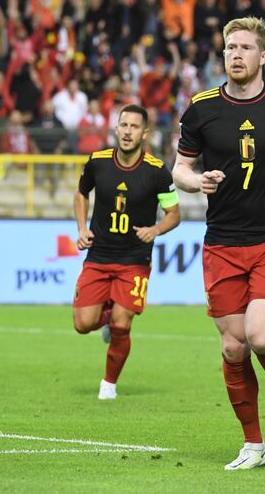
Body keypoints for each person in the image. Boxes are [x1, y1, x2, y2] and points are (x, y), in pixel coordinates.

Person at [172, 17, 265, 471]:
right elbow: (179, 168)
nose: (235, 54)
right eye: (229, 48)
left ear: (262, 56)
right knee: (233, 348)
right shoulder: (200, 108)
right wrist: (197, 182)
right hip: (222, 242)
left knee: (259, 336)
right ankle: (254, 445)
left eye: (244, 47)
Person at [72, 104, 180, 400]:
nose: (128, 131)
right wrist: (82, 228)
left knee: (123, 322)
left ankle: (109, 385)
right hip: (99, 256)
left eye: (134, 127)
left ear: (145, 133)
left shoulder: (158, 172)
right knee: (82, 324)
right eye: (124, 125)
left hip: (135, 259)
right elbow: (81, 193)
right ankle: (106, 314)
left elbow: (174, 213)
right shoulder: (97, 162)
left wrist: (155, 230)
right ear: (116, 129)